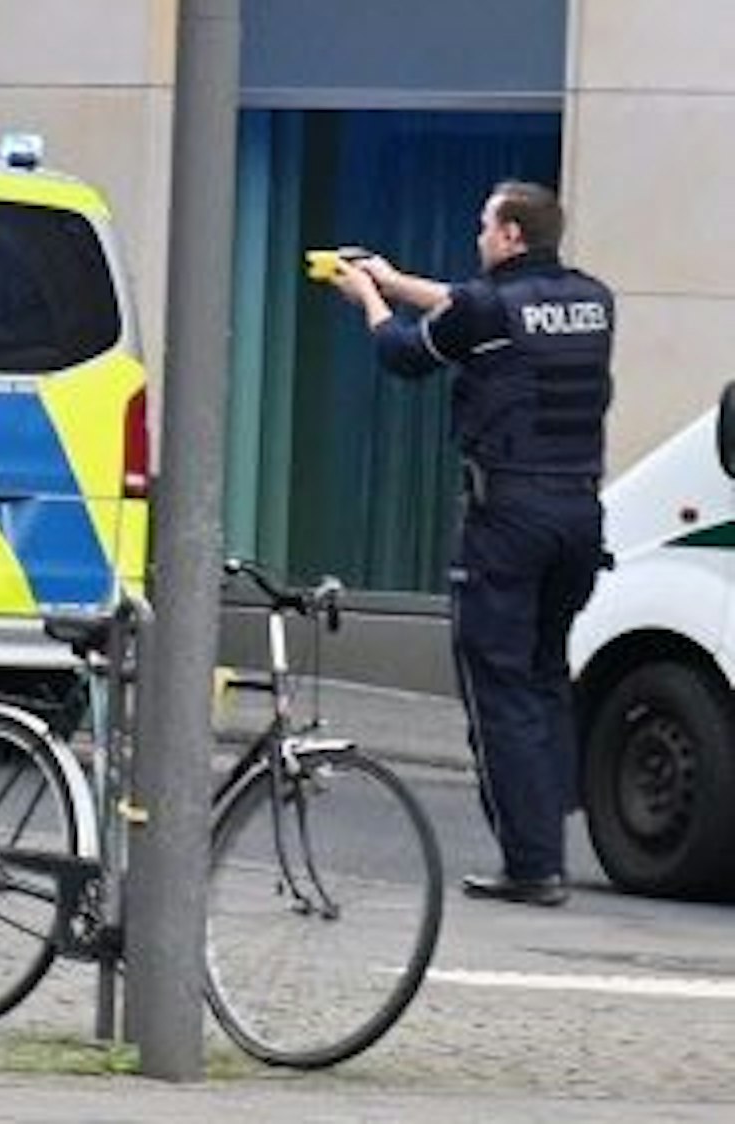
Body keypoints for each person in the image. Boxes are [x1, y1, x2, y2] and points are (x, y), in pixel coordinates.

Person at [329, 180, 613, 907]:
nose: (478, 235)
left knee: (499, 687)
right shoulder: (591, 299)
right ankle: (548, 834)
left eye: (486, 225)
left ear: (513, 235)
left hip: (508, 520)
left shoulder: (489, 309)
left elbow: (404, 352)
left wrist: (368, 298)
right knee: (546, 676)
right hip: (578, 519)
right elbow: (473, 310)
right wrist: (392, 276)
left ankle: (531, 865)